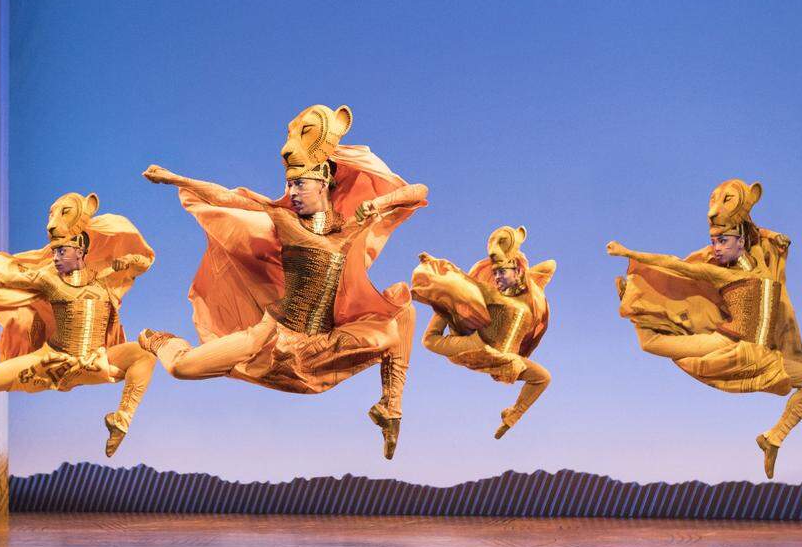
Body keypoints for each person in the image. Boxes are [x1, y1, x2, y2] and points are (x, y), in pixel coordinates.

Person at [140, 104, 427, 458]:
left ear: (324, 180)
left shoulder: (349, 228)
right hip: (270, 338)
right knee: (182, 368)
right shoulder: (283, 219)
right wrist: (177, 179)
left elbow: (417, 190)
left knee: (400, 311)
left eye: (300, 184)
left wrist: (379, 203)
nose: (292, 192)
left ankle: (390, 408)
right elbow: (229, 197)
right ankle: (157, 340)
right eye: (289, 184)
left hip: (320, 345)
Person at [608, 208, 802, 478]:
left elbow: (752, 226)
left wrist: (775, 235)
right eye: (714, 242)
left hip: (763, 355)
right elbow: (673, 263)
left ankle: (772, 438)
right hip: (726, 344)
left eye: (723, 241)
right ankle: (637, 301)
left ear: (741, 242)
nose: (716, 248)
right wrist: (628, 253)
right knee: (651, 343)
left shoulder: (760, 259)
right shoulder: (722, 274)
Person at [0, 192, 156, 457]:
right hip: (51, 362)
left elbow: (144, 262)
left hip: (94, 361)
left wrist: (129, 261)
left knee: (145, 354)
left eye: (62, 251)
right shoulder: (47, 280)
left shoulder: (105, 278)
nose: (56, 257)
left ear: (81, 250)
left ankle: (120, 420)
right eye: (54, 252)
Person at [412, 225, 555, 438]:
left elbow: (550, 265)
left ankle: (511, 417)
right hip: (478, 346)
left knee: (543, 377)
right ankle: (444, 306)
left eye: (501, 272)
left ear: (517, 272)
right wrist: (434, 264)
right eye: (495, 272)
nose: (496, 276)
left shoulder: (528, 296)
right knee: (430, 339)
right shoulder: (490, 294)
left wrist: (515, 248)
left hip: (505, 359)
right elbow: (461, 280)